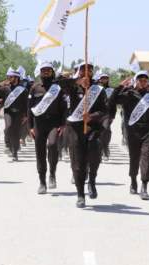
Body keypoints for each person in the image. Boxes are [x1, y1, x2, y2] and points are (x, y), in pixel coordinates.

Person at [109, 70, 149, 200]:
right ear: (136, 81)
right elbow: (112, 100)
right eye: (140, 80)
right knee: (134, 158)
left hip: (148, 132)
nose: (143, 82)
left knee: (146, 157)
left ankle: (144, 186)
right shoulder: (128, 95)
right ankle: (133, 179)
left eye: (145, 80)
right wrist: (120, 86)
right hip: (132, 132)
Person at [61, 63, 107, 208]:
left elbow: (104, 110)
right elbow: (58, 83)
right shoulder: (72, 87)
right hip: (74, 128)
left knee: (94, 156)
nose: (86, 72)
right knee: (77, 163)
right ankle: (80, 194)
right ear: (78, 72)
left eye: (89, 70)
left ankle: (92, 180)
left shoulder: (98, 89)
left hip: (93, 128)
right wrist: (76, 81)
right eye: (83, 70)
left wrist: (92, 116)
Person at [28, 62, 67, 194]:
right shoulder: (34, 88)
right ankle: (42, 182)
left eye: (48, 70)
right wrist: (30, 127)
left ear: (52, 72)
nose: (45, 72)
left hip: (54, 123)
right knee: (40, 153)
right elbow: (29, 109)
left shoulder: (58, 88)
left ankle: (52, 173)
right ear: (40, 72)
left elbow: (64, 108)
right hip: (39, 124)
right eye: (43, 70)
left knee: (52, 145)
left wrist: (63, 124)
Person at [0, 68, 28, 161]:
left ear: (16, 77)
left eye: (11, 76)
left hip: (18, 113)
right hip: (8, 112)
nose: (9, 78)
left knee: (16, 133)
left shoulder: (23, 90)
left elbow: (26, 103)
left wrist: (26, 115)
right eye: (8, 76)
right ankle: (9, 145)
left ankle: (15, 152)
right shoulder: (6, 88)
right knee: (8, 127)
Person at [97, 73, 114, 161]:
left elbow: (113, 103)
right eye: (102, 78)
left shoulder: (111, 90)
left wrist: (113, 115)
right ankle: (99, 150)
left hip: (107, 114)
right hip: (97, 113)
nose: (104, 80)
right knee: (98, 132)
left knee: (106, 130)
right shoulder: (95, 89)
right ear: (99, 79)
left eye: (106, 78)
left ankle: (105, 148)